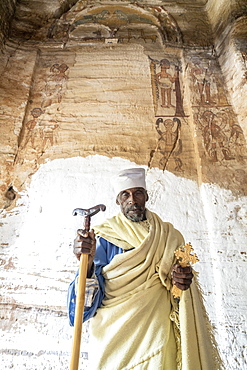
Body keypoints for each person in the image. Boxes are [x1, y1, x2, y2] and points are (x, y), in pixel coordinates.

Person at [67, 168, 223, 370]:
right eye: (126, 194)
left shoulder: (171, 236)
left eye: (138, 193)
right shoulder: (102, 237)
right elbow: (82, 306)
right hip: (113, 338)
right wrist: (85, 263)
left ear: (146, 196)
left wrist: (182, 283)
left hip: (157, 334)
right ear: (118, 201)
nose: (133, 199)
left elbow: (179, 292)